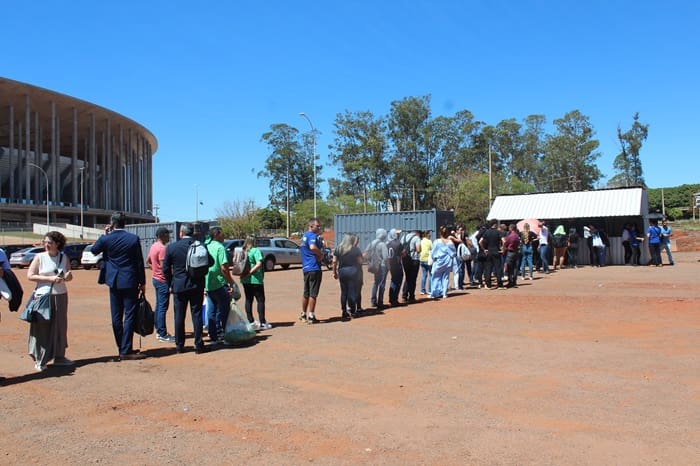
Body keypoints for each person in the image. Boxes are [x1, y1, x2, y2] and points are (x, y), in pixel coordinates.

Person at [91, 212, 146, 360]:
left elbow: (93, 250)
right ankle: (126, 349)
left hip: (113, 281)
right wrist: (143, 282)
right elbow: (139, 262)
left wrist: (104, 235)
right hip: (130, 280)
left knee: (116, 316)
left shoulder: (106, 239)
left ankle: (121, 347)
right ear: (124, 223)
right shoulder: (133, 239)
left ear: (112, 223)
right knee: (129, 315)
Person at [26, 231, 74, 371]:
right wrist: (49, 279)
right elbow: (30, 275)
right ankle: (40, 359)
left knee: (60, 326)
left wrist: (68, 277)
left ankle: (59, 356)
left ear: (57, 244)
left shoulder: (63, 257)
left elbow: (68, 275)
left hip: (60, 295)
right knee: (43, 327)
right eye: (45, 242)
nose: (46, 245)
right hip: (43, 296)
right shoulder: (39, 257)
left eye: (50, 242)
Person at [162, 223, 212, 354]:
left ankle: (179, 346)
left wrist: (170, 283)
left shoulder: (172, 247)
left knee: (179, 316)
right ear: (192, 233)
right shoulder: (200, 246)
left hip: (179, 285)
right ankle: (198, 344)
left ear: (181, 233)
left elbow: (165, 269)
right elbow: (210, 262)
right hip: (197, 285)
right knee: (196, 314)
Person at [205, 227, 235, 342]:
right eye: (222, 234)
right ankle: (226, 334)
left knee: (211, 311)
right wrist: (230, 282)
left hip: (208, 283)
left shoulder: (206, 246)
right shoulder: (220, 248)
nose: (224, 236)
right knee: (224, 310)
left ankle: (213, 336)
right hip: (220, 283)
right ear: (217, 234)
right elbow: (224, 268)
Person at [147, 227, 174, 343]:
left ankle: (159, 330)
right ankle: (162, 333)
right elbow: (165, 267)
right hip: (163, 281)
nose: (169, 237)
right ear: (163, 235)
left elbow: (148, 261)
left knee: (159, 306)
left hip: (156, 279)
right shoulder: (163, 248)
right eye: (168, 234)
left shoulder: (153, 246)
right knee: (162, 307)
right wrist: (170, 281)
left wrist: (154, 270)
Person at [240, 235, 270, 329]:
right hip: (256, 279)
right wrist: (250, 273)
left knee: (248, 300)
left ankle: (251, 321)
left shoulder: (243, 251)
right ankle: (262, 322)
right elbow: (259, 263)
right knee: (260, 300)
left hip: (245, 279)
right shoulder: (255, 250)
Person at [299, 218, 324, 323]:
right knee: (313, 293)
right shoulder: (312, 236)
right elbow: (313, 247)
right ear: (311, 226)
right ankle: (311, 316)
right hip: (314, 267)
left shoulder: (304, 236)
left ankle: (303, 314)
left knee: (306, 292)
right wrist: (321, 254)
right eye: (317, 226)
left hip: (306, 268)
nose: (319, 228)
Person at [333, 234, 363, 319]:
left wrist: (334, 272)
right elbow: (360, 261)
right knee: (352, 291)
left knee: (344, 292)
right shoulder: (355, 249)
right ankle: (353, 311)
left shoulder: (338, 248)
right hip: (353, 271)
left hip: (342, 271)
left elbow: (334, 261)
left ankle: (344, 311)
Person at [429, 226, 456, 299]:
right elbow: (453, 252)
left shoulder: (436, 241)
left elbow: (433, 252)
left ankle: (434, 292)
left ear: (439, 233)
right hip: (447, 262)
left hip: (439, 261)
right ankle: (444, 293)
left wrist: (433, 258)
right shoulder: (450, 242)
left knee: (436, 277)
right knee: (445, 277)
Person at [366, 228, 389, 309]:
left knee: (376, 283)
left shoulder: (371, 243)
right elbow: (386, 257)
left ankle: (373, 301)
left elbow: (366, 254)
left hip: (375, 266)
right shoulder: (382, 244)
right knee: (382, 284)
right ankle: (380, 302)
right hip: (382, 266)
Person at [479, 220, 504, 289]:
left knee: (488, 268)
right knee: (498, 268)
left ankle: (488, 284)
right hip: (496, 251)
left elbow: (480, 241)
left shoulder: (487, 232)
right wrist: (503, 249)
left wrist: (484, 249)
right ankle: (500, 284)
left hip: (489, 251)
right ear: (495, 224)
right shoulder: (498, 232)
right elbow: (504, 241)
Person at [400, 229, 421, 303]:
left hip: (405, 259)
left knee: (407, 277)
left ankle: (404, 295)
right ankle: (411, 296)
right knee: (413, 278)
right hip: (414, 259)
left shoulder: (403, 237)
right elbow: (418, 250)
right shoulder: (416, 238)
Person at [503, 224, 520, 288]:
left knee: (509, 267)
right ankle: (514, 281)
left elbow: (506, 243)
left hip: (510, 252)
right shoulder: (517, 236)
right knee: (515, 267)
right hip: (516, 251)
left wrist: (504, 249)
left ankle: (510, 281)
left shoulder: (510, 236)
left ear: (511, 228)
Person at [419, 230, 432, 295]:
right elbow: (432, 249)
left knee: (424, 275)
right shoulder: (429, 241)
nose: (430, 235)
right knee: (431, 275)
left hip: (422, 259)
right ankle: (430, 289)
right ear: (427, 234)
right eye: (429, 234)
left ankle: (422, 290)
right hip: (428, 260)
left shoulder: (421, 241)